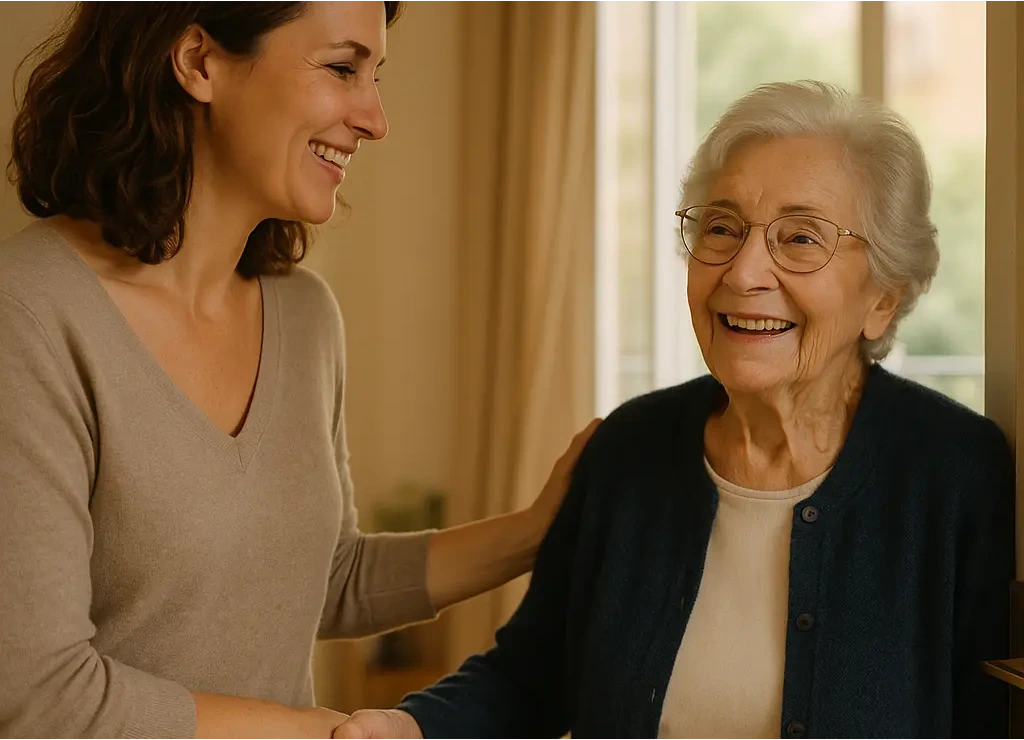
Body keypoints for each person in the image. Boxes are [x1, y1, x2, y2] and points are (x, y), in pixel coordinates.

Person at [333, 81, 1015, 740]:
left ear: (884, 298)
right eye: (722, 228)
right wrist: (411, 725)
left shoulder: (954, 473)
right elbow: (533, 677)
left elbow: (990, 719)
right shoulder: (631, 448)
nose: (744, 273)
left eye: (800, 238)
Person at [0, 0, 599, 738]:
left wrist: (539, 530)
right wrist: (325, 734)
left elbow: (326, 577)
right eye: (343, 68)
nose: (376, 119)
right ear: (199, 62)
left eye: (376, 76)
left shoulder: (304, 316)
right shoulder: (28, 316)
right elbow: (39, 698)